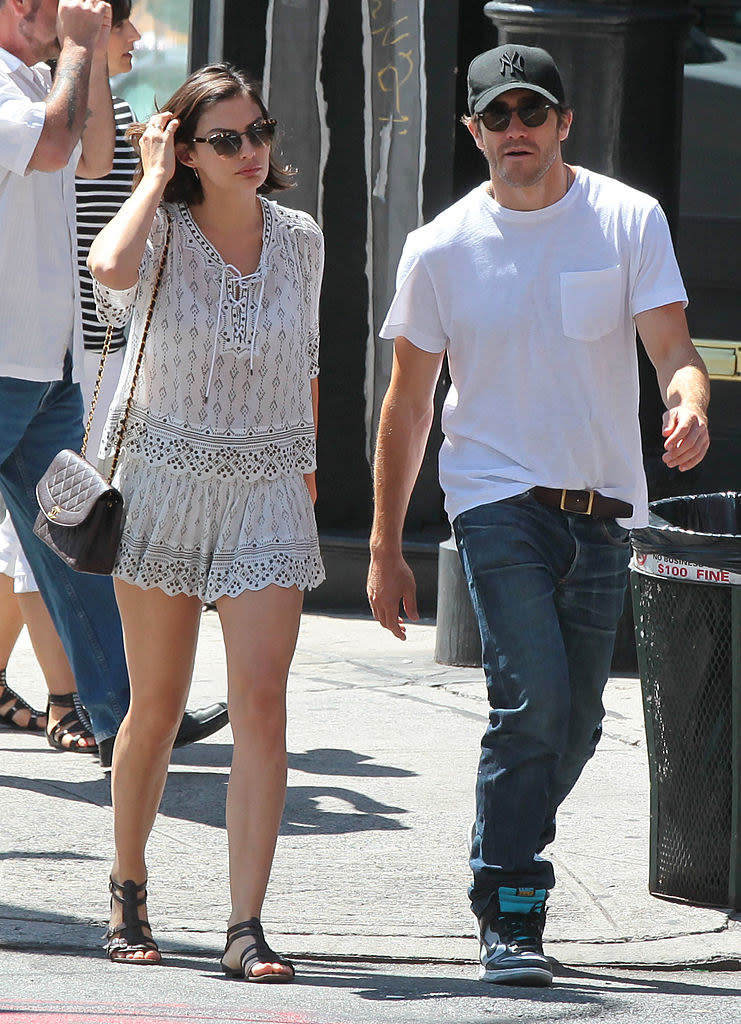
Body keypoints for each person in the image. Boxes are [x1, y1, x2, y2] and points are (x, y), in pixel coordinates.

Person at [367, 44, 710, 987]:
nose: (514, 130)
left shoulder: (626, 218)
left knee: (579, 724)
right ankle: (510, 903)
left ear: (563, 123)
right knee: (532, 704)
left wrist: (688, 402)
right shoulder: (439, 246)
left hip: (605, 507)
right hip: (494, 500)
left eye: (531, 112)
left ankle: (498, 835)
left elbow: (673, 348)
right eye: (495, 116)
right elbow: (407, 405)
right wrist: (386, 548)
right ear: (472, 132)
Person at [87, 63, 324, 976]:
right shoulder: (163, 234)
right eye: (225, 140)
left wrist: (306, 475)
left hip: (266, 482)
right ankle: (128, 882)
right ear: (186, 149)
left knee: (263, 704)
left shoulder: (300, 239)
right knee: (155, 708)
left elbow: (306, 363)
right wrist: (149, 179)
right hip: (164, 477)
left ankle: (243, 925)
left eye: (259, 132)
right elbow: (107, 266)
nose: (251, 152)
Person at [0, 0, 228, 766]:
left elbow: (95, 156)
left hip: (45, 365)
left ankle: (126, 721)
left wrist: (83, 51)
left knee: (81, 541)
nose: (49, 7)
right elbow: (59, 143)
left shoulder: (37, 79)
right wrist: (78, 42)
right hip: (6, 362)